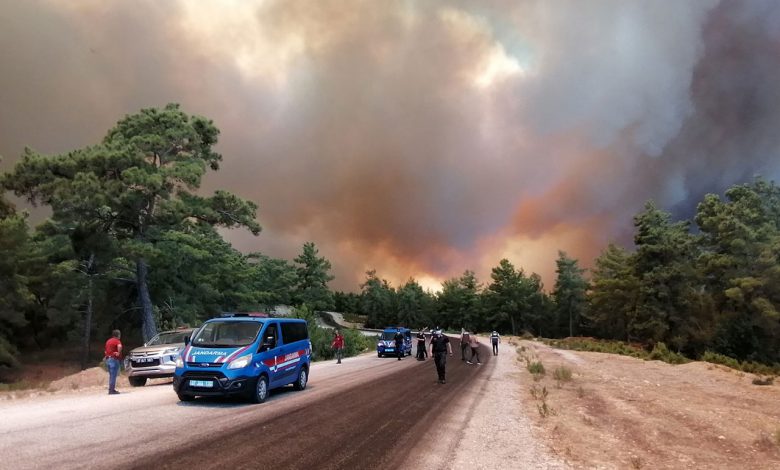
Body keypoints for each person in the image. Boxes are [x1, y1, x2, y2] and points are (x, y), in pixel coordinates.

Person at [104, 329, 123, 395]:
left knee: (111, 375)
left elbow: (105, 351)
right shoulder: (117, 341)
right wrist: (118, 352)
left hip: (108, 359)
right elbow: (120, 346)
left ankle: (111, 389)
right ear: (118, 335)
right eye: (119, 334)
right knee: (113, 375)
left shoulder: (108, 341)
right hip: (114, 359)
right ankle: (111, 390)